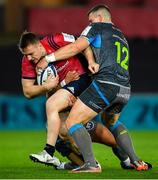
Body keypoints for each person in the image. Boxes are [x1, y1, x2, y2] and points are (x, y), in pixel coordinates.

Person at [36, 4, 152, 173]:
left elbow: (77, 46)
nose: (88, 23)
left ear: (99, 18)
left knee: (72, 122)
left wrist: (48, 58)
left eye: (90, 19)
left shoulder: (96, 27)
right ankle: (135, 160)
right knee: (111, 121)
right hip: (125, 89)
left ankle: (91, 163)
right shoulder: (121, 36)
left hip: (106, 84)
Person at [19, 31, 134, 170]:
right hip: (63, 93)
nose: (29, 58)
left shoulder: (55, 40)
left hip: (82, 81)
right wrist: (50, 86)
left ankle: (126, 159)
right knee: (59, 131)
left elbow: (83, 44)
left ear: (38, 45)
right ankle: (87, 163)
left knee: (56, 111)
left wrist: (91, 61)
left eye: (31, 53)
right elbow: (27, 91)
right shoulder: (28, 62)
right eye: (25, 55)